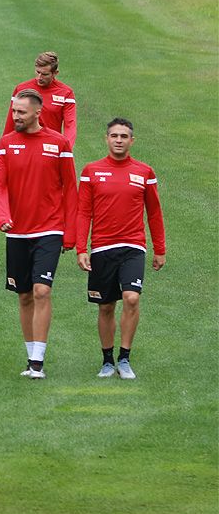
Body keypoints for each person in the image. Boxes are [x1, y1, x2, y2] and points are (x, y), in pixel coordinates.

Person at [0, 89, 78, 380]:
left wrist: (71, 234)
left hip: (49, 230)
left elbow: (70, 191)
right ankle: (31, 357)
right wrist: (3, 216)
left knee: (42, 290)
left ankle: (38, 361)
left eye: (21, 112)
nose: (15, 117)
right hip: (17, 233)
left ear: (37, 113)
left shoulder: (59, 143)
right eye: (14, 111)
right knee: (25, 295)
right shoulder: (6, 143)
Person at [77, 118, 166, 380]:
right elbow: (83, 212)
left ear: (131, 141)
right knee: (106, 306)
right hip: (102, 248)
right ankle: (107, 361)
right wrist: (81, 247)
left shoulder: (144, 172)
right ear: (106, 139)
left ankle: (124, 358)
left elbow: (155, 212)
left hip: (133, 247)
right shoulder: (91, 171)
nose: (118, 140)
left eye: (124, 136)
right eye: (114, 135)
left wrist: (159, 248)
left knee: (132, 298)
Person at [3, 51, 77, 148]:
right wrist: (4, 148)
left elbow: (70, 125)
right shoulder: (21, 89)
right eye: (37, 72)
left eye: (44, 74)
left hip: (50, 148)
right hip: (24, 146)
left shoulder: (66, 93)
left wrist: (67, 149)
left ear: (55, 73)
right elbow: (11, 122)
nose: (39, 77)